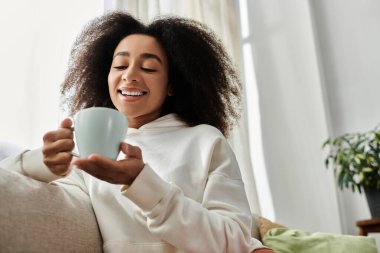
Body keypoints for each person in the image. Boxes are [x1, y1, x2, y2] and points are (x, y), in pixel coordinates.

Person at [3, 11, 274, 253]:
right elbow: (10, 180)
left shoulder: (205, 140)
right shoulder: (90, 152)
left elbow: (235, 241)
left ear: (172, 84)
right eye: (120, 66)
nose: (129, 75)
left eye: (148, 68)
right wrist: (43, 161)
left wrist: (142, 183)